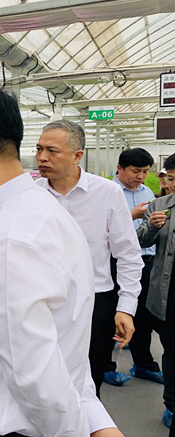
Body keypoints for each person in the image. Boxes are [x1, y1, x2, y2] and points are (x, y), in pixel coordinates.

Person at [0, 85, 122, 437]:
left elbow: (36, 376)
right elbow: (66, 346)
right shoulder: (39, 212)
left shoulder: (8, 237)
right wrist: (95, 420)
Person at [35, 120, 142, 397]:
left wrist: (125, 307)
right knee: (41, 376)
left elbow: (128, 254)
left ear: (77, 155)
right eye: (38, 149)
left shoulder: (106, 193)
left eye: (52, 151)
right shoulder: (31, 194)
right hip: (40, 301)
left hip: (94, 301)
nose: (42, 157)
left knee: (89, 379)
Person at [109, 148, 163, 385]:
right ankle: (106, 366)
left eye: (145, 171)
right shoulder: (108, 192)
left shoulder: (147, 192)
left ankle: (143, 364)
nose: (140, 176)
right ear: (119, 169)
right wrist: (131, 215)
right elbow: (104, 231)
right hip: (118, 263)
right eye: (135, 171)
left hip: (146, 261)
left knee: (143, 317)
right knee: (111, 314)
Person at [138, 152, 175, 430]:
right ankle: (171, 405)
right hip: (167, 292)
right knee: (171, 350)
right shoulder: (159, 205)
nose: (171, 184)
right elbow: (140, 239)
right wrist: (151, 226)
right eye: (170, 178)